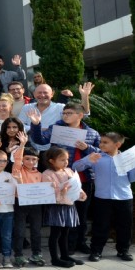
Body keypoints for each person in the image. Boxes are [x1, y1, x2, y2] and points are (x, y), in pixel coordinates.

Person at [28, 103, 100, 253]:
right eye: (64, 113)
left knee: (82, 213)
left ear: (80, 115)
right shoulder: (57, 128)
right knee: (65, 213)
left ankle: (80, 242)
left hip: (84, 178)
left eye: (69, 113)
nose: (65, 116)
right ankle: (67, 246)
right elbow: (40, 140)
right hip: (61, 180)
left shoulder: (92, 133)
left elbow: (100, 153)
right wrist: (36, 124)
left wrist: (87, 148)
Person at [72, 132, 135, 262]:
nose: (101, 144)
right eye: (101, 142)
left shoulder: (127, 158)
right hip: (102, 197)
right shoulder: (97, 157)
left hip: (124, 197)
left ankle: (123, 250)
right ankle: (96, 251)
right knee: (100, 225)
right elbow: (75, 167)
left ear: (117, 144)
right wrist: (87, 160)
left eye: (105, 142)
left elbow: (132, 178)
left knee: (124, 225)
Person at [41, 147, 87, 267]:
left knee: (65, 232)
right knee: (55, 233)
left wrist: (81, 192)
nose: (66, 162)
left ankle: (65, 255)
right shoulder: (47, 174)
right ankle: (54, 259)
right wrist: (61, 190)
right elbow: (47, 192)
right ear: (51, 161)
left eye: (67, 159)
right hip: (57, 207)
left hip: (69, 204)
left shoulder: (69, 171)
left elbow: (76, 184)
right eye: (62, 160)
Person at [11, 132, 45, 267]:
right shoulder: (18, 170)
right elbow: (17, 159)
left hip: (36, 205)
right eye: (28, 159)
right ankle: (18, 255)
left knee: (36, 231)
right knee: (19, 231)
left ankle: (36, 254)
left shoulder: (40, 174)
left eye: (34, 159)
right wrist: (23, 145)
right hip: (20, 203)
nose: (31, 162)